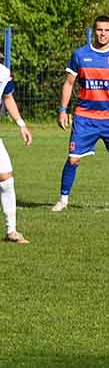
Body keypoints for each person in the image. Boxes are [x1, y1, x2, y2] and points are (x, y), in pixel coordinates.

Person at [52, 15, 109, 212]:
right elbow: (68, 84)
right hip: (85, 118)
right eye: (99, 30)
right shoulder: (80, 55)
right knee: (73, 159)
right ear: (94, 31)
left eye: (106, 30)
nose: (103, 34)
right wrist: (62, 110)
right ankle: (63, 200)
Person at [1, 59, 31, 242]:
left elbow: (7, 97)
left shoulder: (3, 73)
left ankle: (11, 231)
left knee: (6, 178)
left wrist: (21, 124)